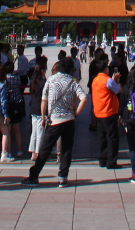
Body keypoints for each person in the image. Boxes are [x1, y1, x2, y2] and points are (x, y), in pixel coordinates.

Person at [23, 57, 88, 188]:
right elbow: (84, 98)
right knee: (66, 150)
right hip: (69, 120)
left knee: (45, 149)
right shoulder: (73, 82)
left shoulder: (51, 80)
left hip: (54, 120)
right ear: (71, 70)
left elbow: (44, 100)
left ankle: (34, 176)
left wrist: (43, 117)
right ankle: (63, 177)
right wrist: (75, 113)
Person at [93, 63, 123, 168]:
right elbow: (119, 90)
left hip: (99, 112)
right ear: (105, 69)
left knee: (102, 137)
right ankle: (111, 161)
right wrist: (117, 81)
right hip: (109, 112)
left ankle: (102, 160)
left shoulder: (95, 80)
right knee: (112, 137)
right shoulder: (108, 80)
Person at [26, 55, 48, 158]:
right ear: (42, 71)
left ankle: (33, 152)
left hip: (33, 108)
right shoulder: (43, 83)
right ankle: (38, 152)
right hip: (40, 109)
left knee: (34, 132)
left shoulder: (34, 81)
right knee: (40, 133)